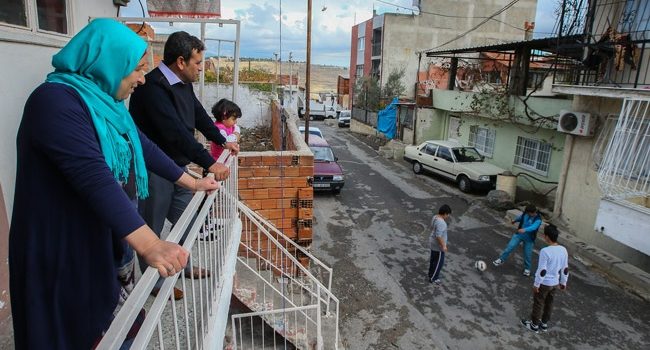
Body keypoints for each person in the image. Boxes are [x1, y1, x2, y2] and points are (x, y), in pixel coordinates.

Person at [8, 19, 219, 349]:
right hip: (63, 249)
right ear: (107, 62)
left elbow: (140, 144)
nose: (140, 79)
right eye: (135, 69)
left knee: (113, 325)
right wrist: (151, 244)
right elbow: (94, 177)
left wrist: (191, 183)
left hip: (99, 242)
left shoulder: (106, 104)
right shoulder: (54, 103)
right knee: (72, 331)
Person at [129, 31, 239, 294]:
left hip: (178, 168)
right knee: (152, 229)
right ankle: (153, 284)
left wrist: (221, 141)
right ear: (181, 61)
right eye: (198, 63)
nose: (201, 68)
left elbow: (199, 115)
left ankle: (184, 266)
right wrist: (209, 163)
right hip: (154, 170)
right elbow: (175, 132)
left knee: (186, 222)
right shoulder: (153, 88)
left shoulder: (182, 83)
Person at [521, 224, 569, 333]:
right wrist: (563, 282)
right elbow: (565, 268)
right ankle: (544, 324)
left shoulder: (545, 251)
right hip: (555, 283)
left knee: (538, 303)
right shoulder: (563, 250)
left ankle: (534, 325)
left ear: (547, 237)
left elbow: (542, 270)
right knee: (549, 303)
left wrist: (537, 284)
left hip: (544, 283)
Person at [493, 205, 543, 276]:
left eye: (529, 214)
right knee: (510, 247)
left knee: (527, 254)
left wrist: (524, 229)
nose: (527, 214)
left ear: (533, 212)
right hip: (519, 235)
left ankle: (527, 269)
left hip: (529, 239)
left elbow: (533, 227)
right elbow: (521, 217)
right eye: (527, 213)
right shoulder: (526, 214)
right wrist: (514, 221)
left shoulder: (538, 219)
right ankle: (501, 259)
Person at [428, 204, 452, 285]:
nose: (448, 216)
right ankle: (434, 278)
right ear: (445, 213)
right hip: (438, 246)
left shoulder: (435, 217)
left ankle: (431, 274)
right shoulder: (442, 223)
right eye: (448, 214)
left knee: (433, 260)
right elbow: (438, 236)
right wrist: (443, 246)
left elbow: (432, 227)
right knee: (439, 263)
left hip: (432, 242)